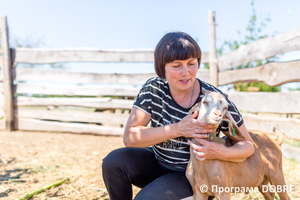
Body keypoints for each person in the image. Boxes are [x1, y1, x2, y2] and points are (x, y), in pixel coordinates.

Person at [102, 32, 254, 200]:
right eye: (176, 66)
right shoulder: (153, 89)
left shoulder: (214, 100)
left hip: (192, 174)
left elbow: (247, 146)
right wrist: (177, 129)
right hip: (158, 162)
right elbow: (130, 137)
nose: (186, 72)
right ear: (162, 68)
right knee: (113, 163)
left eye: (191, 63)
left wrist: (218, 151)